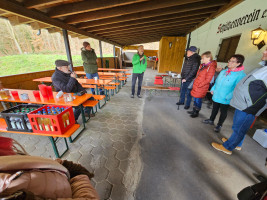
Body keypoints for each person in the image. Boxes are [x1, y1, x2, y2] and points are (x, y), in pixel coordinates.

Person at [211, 51, 267, 155]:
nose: (264, 51)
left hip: (249, 106)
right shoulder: (264, 67)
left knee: (239, 128)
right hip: (244, 104)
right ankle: (236, 144)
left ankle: (227, 147)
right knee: (240, 127)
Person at [203, 54, 246, 132]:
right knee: (214, 108)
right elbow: (217, 82)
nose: (229, 62)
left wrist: (228, 97)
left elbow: (237, 89)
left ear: (238, 63)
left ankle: (219, 125)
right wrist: (213, 89)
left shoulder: (241, 75)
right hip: (217, 94)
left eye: (232, 61)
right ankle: (211, 120)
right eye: (229, 60)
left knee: (223, 112)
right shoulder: (224, 71)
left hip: (226, 97)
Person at [188, 51, 216, 118]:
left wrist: (199, 85)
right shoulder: (203, 66)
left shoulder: (211, 67)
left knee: (198, 100)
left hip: (201, 87)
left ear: (208, 58)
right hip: (197, 85)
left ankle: (196, 112)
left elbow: (208, 80)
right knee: (195, 99)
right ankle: (194, 110)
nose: (201, 60)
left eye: (203, 58)